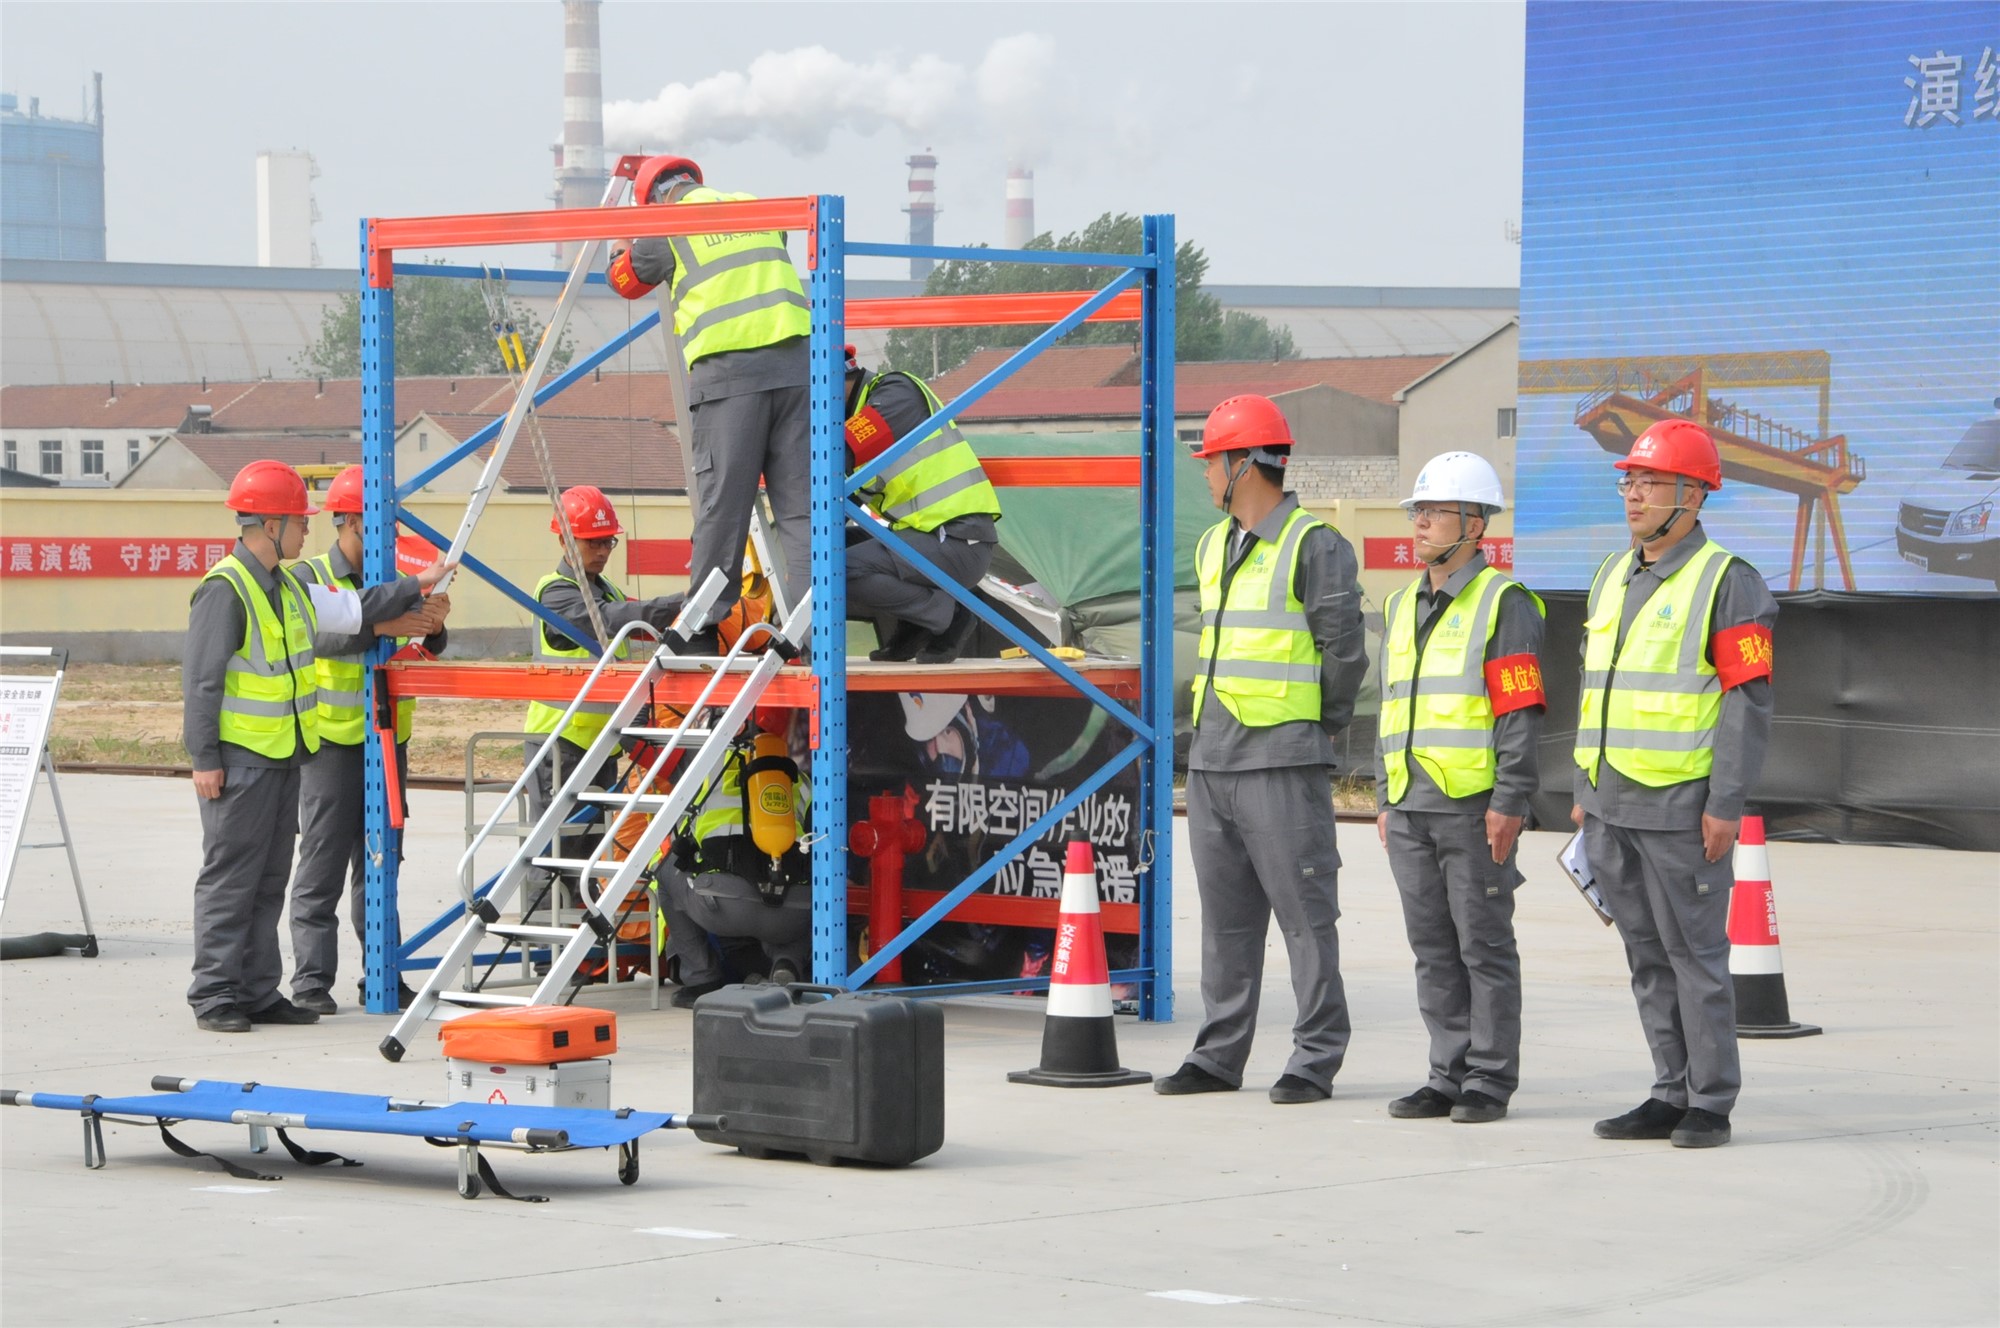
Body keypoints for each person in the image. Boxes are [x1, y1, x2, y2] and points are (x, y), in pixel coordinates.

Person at [1155, 395, 1368, 1104]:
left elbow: (1344, 653)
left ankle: (1314, 1058)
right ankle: (1218, 1056)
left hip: (1281, 759)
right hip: (1213, 758)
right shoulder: (1212, 546)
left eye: (1211, 461)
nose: (1205, 474)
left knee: (1306, 917)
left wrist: (1317, 726)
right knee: (1226, 923)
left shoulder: (1315, 545)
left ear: (1244, 464)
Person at [1572, 418, 1776, 1150]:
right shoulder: (1612, 573)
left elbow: (1747, 703)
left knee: (1696, 960)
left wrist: (1726, 804)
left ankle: (1710, 1101)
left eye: (1650, 482)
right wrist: (1585, 789)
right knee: (1646, 956)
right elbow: (1597, 688)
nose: (1633, 494)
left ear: (1692, 495)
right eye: (1629, 480)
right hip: (1610, 805)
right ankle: (1668, 1091)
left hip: (1681, 809)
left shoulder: (1728, 581)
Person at [1373, 452, 1544, 1125]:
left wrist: (1510, 800)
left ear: (1476, 524)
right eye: (1418, 510)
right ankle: (1446, 1074)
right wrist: (1385, 799)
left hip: (1473, 809)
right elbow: (1392, 708)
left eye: (1436, 511)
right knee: (1433, 950)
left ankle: (1489, 1079)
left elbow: (1519, 711)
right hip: (1409, 806)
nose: (1420, 522)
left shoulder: (1505, 604)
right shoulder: (1400, 603)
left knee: (1484, 947)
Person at [183, 461, 365, 1032]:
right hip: (240, 763)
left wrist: (419, 586)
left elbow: (355, 611)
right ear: (269, 525)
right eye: (300, 521)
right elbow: (202, 682)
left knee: (267, 881)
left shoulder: (286, 586)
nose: (308, 530)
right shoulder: (225, 589)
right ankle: (214, 994)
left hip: (285, 756)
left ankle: (258, 991)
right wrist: (204, 759)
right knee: (230, 881)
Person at [607, 154, 810, 644]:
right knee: (802, 509)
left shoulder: (668, 223)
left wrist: (620, 242)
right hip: (799, 371)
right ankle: (813, 627)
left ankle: (702, 621)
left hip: (729, 374)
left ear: (654, 200)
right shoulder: (752, 207)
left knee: (723, 503)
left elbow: (625, 282)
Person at [286, 465, 452, 1016]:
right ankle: (311, 982)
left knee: (381, 866)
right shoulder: (310, 575)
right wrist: (381, 628)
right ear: (353, 522)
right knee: (322, 865)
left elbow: (425, 647)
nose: (391, 536)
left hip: (388, 741)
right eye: (381, 523)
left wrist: (432, 625)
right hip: (332, 745)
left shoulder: (397, 578)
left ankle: (382, 976)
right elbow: (315, 637)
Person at [522, 486, 687, 873]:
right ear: (565, 540)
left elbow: (638, 620)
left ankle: (585, 911)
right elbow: (615, 619)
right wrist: (684, 600)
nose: (602, 551)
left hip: (602, 744)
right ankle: (546, 912)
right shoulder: (556, 593)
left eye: (608, 541)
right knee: (555, 854)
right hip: (562, 743)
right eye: (592, 542)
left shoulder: (605, 589)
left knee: (592, 852)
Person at [842, 344, 1003, 663]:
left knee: (837, 569)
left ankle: (949, 613)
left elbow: (838, 451)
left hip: (958, 539)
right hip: (923, 538)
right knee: (823, 551)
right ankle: (920, 622)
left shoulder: (896, 393)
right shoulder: (854, 416)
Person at [653, 710, 812, 1007]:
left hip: (725, 906)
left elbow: (679, 840)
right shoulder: (799, 779)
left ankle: (702, 978)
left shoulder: (706, 771)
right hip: (792, 912)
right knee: (818, 889)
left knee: (664, 869)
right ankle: (788, 961)